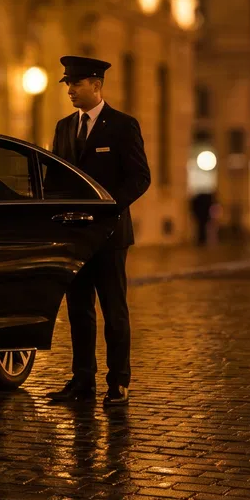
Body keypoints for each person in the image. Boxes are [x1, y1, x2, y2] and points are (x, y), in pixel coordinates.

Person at [46, 55, 151, 405]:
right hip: (76, 237)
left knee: (114, 310)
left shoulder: (122, 125)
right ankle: (82, 381)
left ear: (96, 85)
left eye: (76, 84)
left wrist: (108, 207)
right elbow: (56, 180)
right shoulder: (63, 127)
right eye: (68, 84)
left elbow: (139, 178)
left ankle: (119, 382)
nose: (71, 90)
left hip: (109, 235)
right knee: (78, 311)